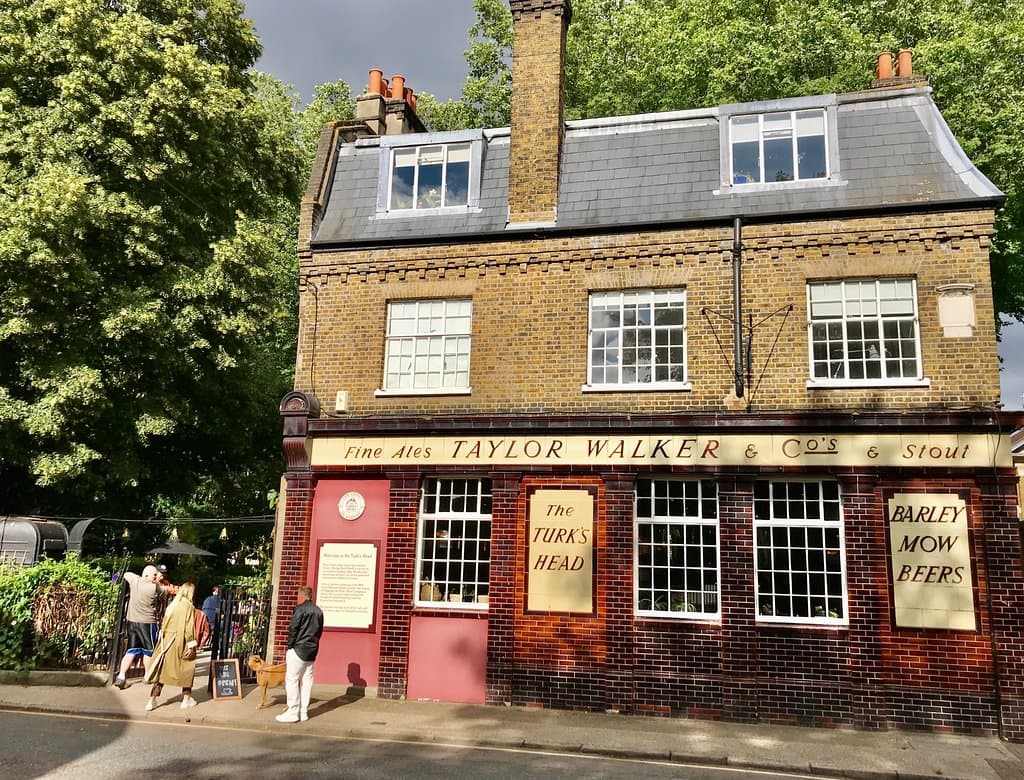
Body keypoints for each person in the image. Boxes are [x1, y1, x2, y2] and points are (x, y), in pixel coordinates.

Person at [114, 565, 175, 689]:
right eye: (154, 575)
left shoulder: (134, 580)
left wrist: (114, 579)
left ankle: (121, 676)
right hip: (147, 623)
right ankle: (147, 676)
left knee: (131, 650)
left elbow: (125, 574)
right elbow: (168, 590)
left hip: (132, 622)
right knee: (148, 651)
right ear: (147, 575)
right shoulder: (155, 587)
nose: (156, 577)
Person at [144, 582, 200, 711]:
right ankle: (186, 700)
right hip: (181, 640)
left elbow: (164, 624)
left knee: (162, 672)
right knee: (187, 669)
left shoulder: (172, 605)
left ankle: (152, 700)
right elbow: (189, 628)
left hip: (167, 641)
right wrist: (191, 645)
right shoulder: (188, 606)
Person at [276, 585, 324, 724]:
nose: (297, 599)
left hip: (298, 649)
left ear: (302, 596)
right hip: (312, 650)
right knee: (307, 680)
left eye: (298, 596)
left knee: (292, 680)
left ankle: (293, 712)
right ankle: (304, 712)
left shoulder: (299, 609)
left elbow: (293, 628)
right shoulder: (319, 611)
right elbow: (319, 631)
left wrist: (290, 645)